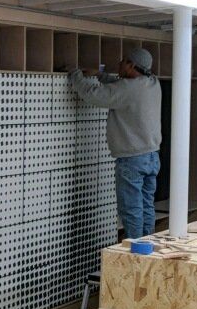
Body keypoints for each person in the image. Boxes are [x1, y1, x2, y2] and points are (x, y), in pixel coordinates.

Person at [69, 48, 161, 239]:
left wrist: (75, 75)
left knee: (131, 210)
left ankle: (135, 254)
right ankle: (147, 248)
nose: (118, 64)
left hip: (132, 160)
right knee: (146, 206)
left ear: (132, 65)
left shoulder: (127, 89)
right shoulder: (152, 82)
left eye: (123, 61)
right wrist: (101, 75)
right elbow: (123, 86)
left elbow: (93, 94)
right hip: (152, 156)